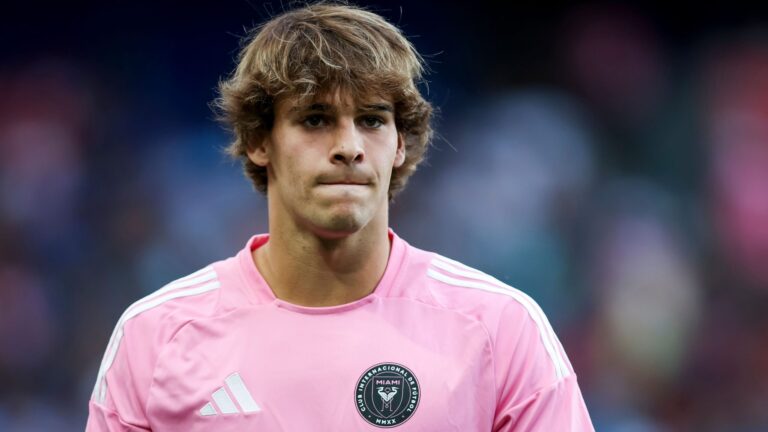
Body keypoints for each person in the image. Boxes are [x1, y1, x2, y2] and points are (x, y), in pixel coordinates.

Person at [86, 3, 594, 431]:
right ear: (260, 140)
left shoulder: (500, 329)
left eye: (371, 120)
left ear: (400, 144)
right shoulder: (157, 336)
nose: (349, 147)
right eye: (315, 119)